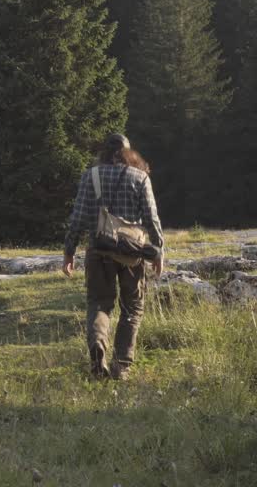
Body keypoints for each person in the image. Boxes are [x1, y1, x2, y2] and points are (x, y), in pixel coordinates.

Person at [61, 133, 164, 380]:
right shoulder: (140, 177)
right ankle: (121, 366)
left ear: (103, 152)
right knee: (132, 308)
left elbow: (77, 218)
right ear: (129, 152)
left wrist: (69, 252)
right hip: (132, 254)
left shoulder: (90, 176)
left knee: (99, 303)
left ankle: (98, 344)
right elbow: (151, 218)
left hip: (98, 251)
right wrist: (158, 250)